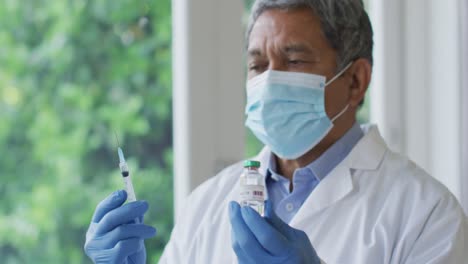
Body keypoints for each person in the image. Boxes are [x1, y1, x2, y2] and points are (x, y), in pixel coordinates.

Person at [84, 0, 468, 263]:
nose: (269, 81)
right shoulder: (207, 204)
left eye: (294, 60)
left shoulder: (426, 214)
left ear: (355, 80)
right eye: (257, 65)